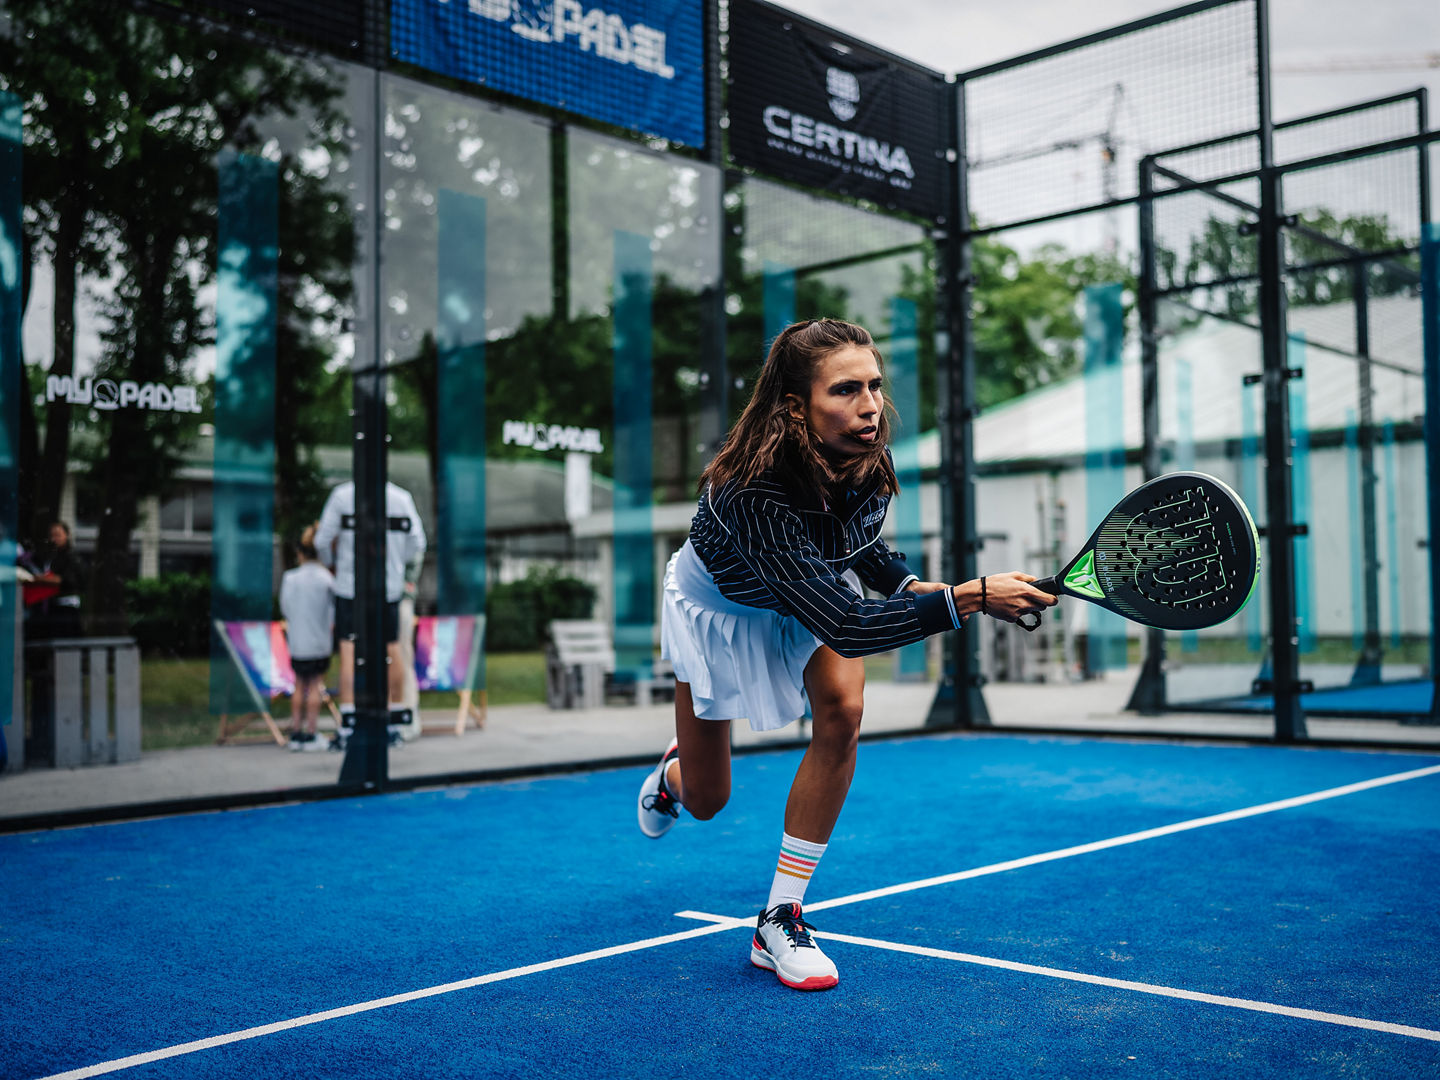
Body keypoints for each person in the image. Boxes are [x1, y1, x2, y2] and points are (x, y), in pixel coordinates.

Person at [636, 319, 1055, 992]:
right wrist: (970, 596)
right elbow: (850, 626)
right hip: (720, 611)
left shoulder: (864, 456)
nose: (869, 404)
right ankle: (674, 776)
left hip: (809, 594)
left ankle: (780, 919)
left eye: (875, 385)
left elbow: (853, 545)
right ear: (796, 406)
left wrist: (912, 585)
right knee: (710, 800)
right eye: (846, 390)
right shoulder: (752, 491)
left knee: (843, 712)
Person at [313, 478, 426, 740]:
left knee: (349, 650)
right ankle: (395, 719)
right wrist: (397, 565)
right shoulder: (401, 498)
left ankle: (350, 719)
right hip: (388, 588)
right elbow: (417, 543)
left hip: (350, 587)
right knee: (392, 648)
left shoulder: (342, 496)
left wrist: (334, 566)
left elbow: (322, 541)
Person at [278, 524, 335, 751]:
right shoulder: (326, 580)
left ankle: (296, 732)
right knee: (315, 685)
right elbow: (332, 613)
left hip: (298, 642)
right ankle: (311, 732)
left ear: (300, 553)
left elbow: (286, 608)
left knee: (299, 684)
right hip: (319, 641)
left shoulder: (291, 579)